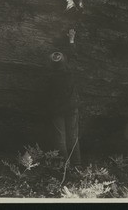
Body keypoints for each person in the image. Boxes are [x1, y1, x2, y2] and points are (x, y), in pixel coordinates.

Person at [46, 29, 81, 166]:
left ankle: (64, 167)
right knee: (73, 137)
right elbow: (74, 56)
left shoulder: (49, 77)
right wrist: (71, 39)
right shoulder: (70, 71)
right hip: (72, 107)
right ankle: (77, 165)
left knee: (60, 138)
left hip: (57, 110)